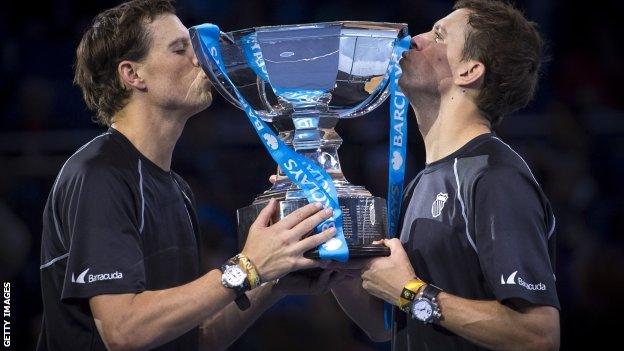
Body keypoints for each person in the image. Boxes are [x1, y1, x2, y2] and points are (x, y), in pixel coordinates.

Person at [37, 1, 339, 350]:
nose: (200, 60)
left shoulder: (177, 189)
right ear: (133, 75)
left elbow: (199, 338)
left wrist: (272, 280)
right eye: (180, 49)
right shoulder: (98, 175)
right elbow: (124, 331)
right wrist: (248, 265)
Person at [331, 1, 561, 350]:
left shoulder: (494, 178)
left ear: (469, 70)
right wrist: (336, 257)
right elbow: (385, 325)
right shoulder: (424, 182)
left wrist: (411, 292)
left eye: (439, 35)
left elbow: (538, 335)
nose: (416, 39)